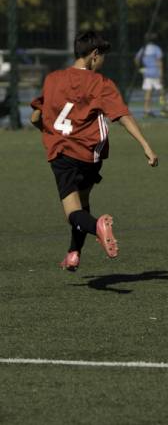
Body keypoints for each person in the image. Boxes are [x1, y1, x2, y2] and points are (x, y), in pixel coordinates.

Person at [30, 31, 159, 271]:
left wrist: (46, 131)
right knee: (84, 201)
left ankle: (98, 225)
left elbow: (35, 116)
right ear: (94, 55)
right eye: (103, 57)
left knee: (72, 212)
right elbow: (122, 116)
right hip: (91, 156)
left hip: (62, 153)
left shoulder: (53, 78)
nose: (103, 62)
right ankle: (73, 253)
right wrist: (146, 146)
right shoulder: (101, 83)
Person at [135, 32, 168, 117]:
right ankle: (165, 110)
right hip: (156, 73)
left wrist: (140, 68)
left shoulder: (143, 49)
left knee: (148, 93)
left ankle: (146, 111)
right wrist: (161, 74)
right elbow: (159, 62)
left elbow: (136, 59)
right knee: (161, 92)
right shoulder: (156, 49)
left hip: (147, 73)